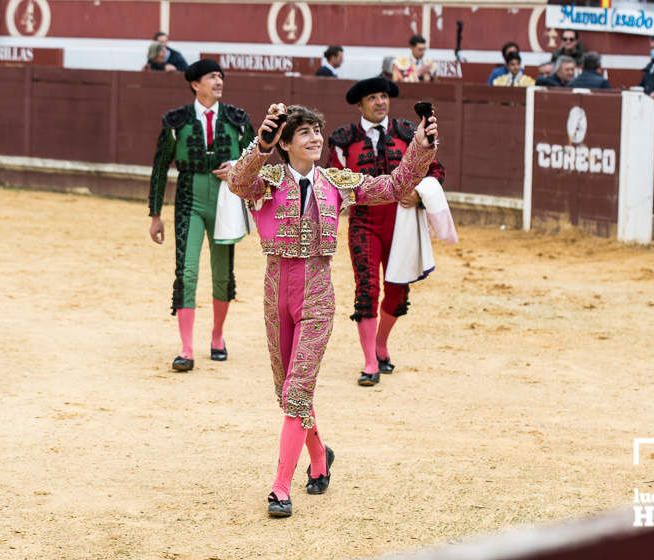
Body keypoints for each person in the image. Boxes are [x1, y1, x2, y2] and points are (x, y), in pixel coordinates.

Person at [227, 104, 439, 517]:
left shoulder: (336, 183)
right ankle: (320, 456)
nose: (315, 139)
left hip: (318, 296)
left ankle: (280, 489)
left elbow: (394, 186)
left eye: (317, 132)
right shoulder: (267, 179)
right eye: (304, 133)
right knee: (286, 390)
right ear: (286, 143)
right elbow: (238, 181)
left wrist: (421, 145)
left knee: (297, 390)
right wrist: (261, 145)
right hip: (276, 292)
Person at [327, 77, 448, 386]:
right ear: (360, 104)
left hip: (403, 221)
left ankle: (380, 344)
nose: (380, 102)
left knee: (397, 292)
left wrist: (419, 193)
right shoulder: (343, 140)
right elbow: (334, 178)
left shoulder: (409, 133)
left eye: (384, 96)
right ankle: (370, 362)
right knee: (366, 290)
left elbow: (435, 170)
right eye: (372, 98)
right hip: (364, 222)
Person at [147, 60, 254, 372]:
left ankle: (217, 336)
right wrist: (155, 214)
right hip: (188, 198)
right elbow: (159, 168)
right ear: (196, 84)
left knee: (222, 273)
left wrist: (237, 167)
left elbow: (255, 158)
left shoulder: (238, 119)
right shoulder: (176, 121)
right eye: (212, 76)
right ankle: (186, 348)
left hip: (225, 200)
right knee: (188, 271)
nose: (219, 81)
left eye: (221, 76)